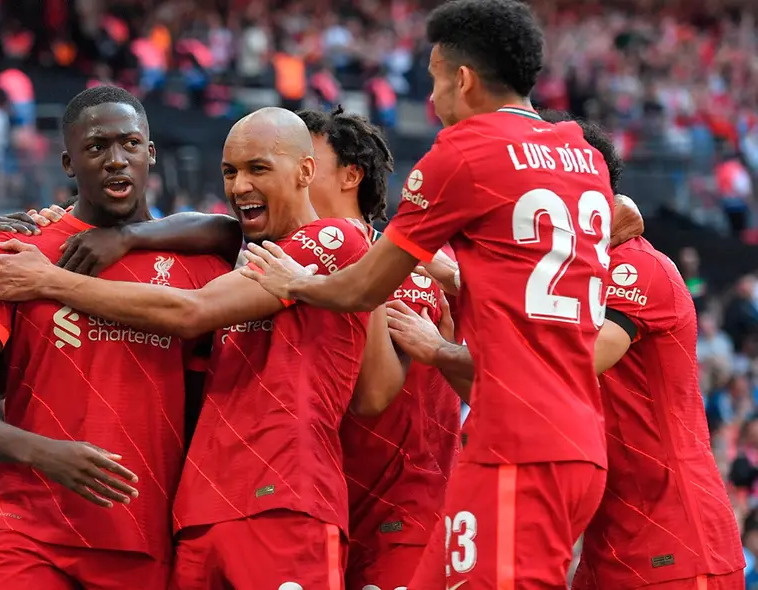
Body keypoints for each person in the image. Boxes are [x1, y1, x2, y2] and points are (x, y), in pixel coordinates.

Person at [241, 1, 614, 586]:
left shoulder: (466, 152)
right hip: (574, 438)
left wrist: (297, 283)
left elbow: (365, 287)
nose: (432, 101)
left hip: (517, 444)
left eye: (436, 81)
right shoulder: (583, 153)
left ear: (461, 78)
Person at [0, 106, 376, 589]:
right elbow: (221, 230)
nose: (240, 185)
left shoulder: (334, 237)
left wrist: (49, 279)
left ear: (306, 171)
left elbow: (191, 313)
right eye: (230, 172)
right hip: (196, 516)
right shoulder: (234, 262)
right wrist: (120, 235)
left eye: (257, 169)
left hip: (286, 498)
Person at [389, 114, 745, 589]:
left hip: (676, 541)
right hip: (605, 542)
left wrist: (439, 349)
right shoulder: (554, 284)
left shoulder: (636, 269)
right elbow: (504, 391)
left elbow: (566, 368)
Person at [0, 85, 233, 589]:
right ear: (69, 163)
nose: (116, 160)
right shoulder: (21, 249)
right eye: (96, 148)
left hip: (144, 539)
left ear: (150, 152)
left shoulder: (202, 267)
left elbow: (235, 231)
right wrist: (45, 452)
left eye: (130, 144)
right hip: (29, 533)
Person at [299, 106, 462, 589]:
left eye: (306, 160)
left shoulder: (413, 267)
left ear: (351, 175)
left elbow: (374, 398)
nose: (295, 171)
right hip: (319, 504)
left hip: (402, 513)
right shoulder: (283, 258)